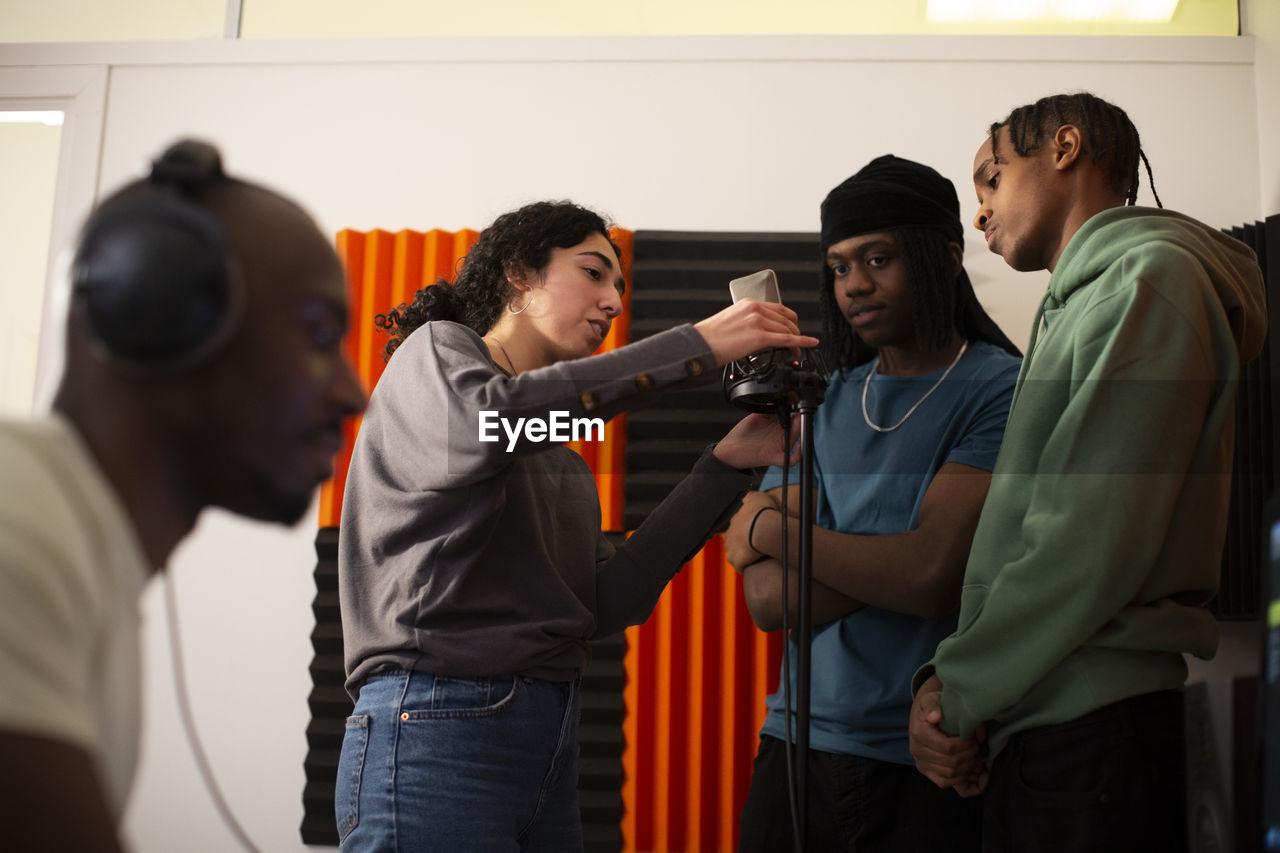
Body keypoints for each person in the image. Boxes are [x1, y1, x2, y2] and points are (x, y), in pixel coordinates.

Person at [335, 199, 819, 852]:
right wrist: (699, 346)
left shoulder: (559, 456)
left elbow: (606, 601)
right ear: (519, 275)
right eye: (594, 273)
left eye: (619, 285)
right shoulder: (436, 355)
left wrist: (725, 465)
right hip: (434, 723)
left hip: (548, 738)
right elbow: (496, 420)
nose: (615, 300)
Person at [909, 92, 1268, 852]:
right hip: (1041, 720)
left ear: (1065, 147)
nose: (980, 212)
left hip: (1095, 733)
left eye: (992, 178)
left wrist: (958, 693)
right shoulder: (1077, 303)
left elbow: (1086, 536)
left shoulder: (1150, 281)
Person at [0, 140, 368, 851]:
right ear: (161, 309)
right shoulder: (16, 523)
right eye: (321, 334)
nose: (353, 392)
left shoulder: (85, 562)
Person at [723, 155, 1022, 852]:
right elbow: (769, 601)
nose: (854, 283)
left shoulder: (1000, 389)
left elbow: (929, 579)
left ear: (944, 256)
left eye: (878, 258)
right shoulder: (820, 399)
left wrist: (769, 523)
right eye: (839, 266)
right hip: (795, 749)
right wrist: (897, 549)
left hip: (928, 758)